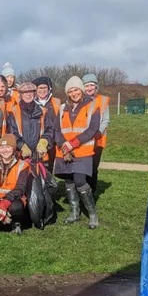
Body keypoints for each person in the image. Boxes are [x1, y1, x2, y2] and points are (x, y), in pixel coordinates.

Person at [54, 76, 101, 229]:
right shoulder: (62, 108)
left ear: (81, 90)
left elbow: (92, 129)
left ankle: (92, 214)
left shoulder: (93, 106)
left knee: (80, 180)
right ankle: (75, 212)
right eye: (71, 91)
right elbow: (57, 130)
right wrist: (63, 145)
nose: (74, 93)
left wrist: (72, 143)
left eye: (76, 90)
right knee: (68, 181)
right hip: (65, 151)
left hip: (82, 151)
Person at [6, 82, 54, 162]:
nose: (28, 95)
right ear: (20, 94)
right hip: (21, 156)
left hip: (40, 156)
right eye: (25, 92)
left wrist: (44, 142)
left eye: (31, 92)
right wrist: (22, 146)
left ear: (35, 93)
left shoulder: (43, 111)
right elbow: (12, 133)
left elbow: (49, 130)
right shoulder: (13, 112)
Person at [82, 73, 110, 195]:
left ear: (96, 86)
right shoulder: (79, 100)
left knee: (93, 168)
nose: (89, 88)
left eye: (91, 85)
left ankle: (91, 193)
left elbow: (106, 119)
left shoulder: (103, 100)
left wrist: (98, 132)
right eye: (87, 86)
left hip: (97, 140)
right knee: (82, 168)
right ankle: (82, 191)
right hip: (82, 141)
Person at [32, 76, 61, 173]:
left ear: (49, 89)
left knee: (49, 167)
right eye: (40, 88)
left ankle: (48, 186)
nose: (42, 90)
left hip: (52, 141)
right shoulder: (31, 102)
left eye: (45, 88)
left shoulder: (56, 102)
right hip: (36, 140)